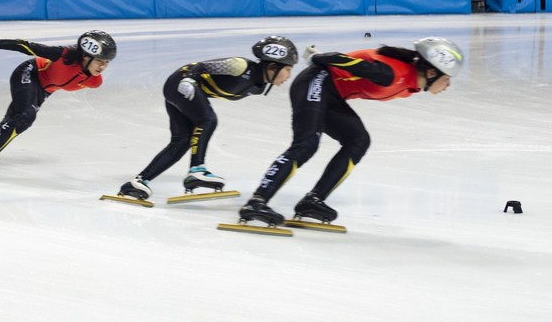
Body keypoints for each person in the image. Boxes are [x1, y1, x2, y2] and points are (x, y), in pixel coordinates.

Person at [238, 36, 464, 226]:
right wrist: (316, 58)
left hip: (332, 94)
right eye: (447, 79)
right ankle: (257, 202)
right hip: (316, 81)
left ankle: (313, 200)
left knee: (358, 140)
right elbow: (341, 60)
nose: (448, 85)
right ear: (432, 72)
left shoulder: (410, 82)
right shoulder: (392, 74)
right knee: (306, 144)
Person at [116, 36, 298, 201]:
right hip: (182, 83)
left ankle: (139, 181)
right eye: (288, 70)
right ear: (272, 67)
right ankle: (197, 170)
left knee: (182, 141)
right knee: (208, 119)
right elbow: (202, 67)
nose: (289, 77)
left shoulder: (258, 87)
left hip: (181, 89)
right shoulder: (240, 66)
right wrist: (188, 80)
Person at [0, 31, 117, 177]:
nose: (103, 67)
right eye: (99, 61)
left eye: (107, 62)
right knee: (25, 116)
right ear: (86, 56)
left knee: (2, 131)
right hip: (29, 73)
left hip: (43, 91)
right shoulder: (63, 55)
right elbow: (25, 46)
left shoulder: (94, 81)